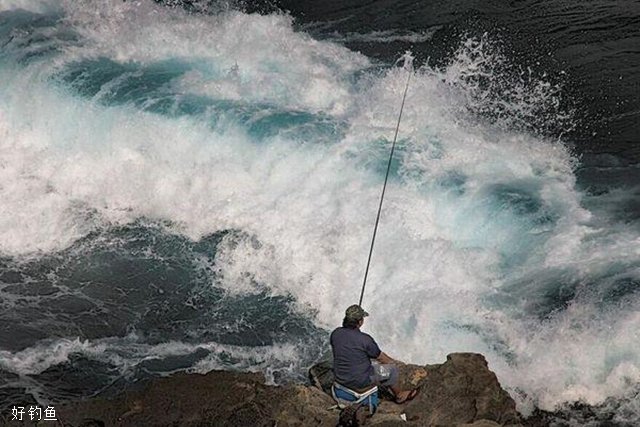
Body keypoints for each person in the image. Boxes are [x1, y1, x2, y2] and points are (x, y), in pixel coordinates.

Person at [330, 304, 419, 404]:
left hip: (341, 380)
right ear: (360, 322)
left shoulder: (335, 333)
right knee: (392, 370)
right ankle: (399, 395)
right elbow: (382, 358)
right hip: (361, 382)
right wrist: (395, 363)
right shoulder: (365, 339)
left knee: (366, 360)